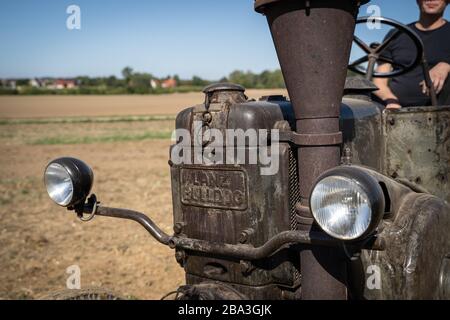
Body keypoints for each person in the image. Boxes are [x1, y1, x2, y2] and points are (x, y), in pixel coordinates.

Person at [373, 0, 450, 109]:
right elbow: (379, 81)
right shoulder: (396, 34)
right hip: (395, 108)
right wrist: (391, 101)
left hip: (440, 112)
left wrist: (446, 65)